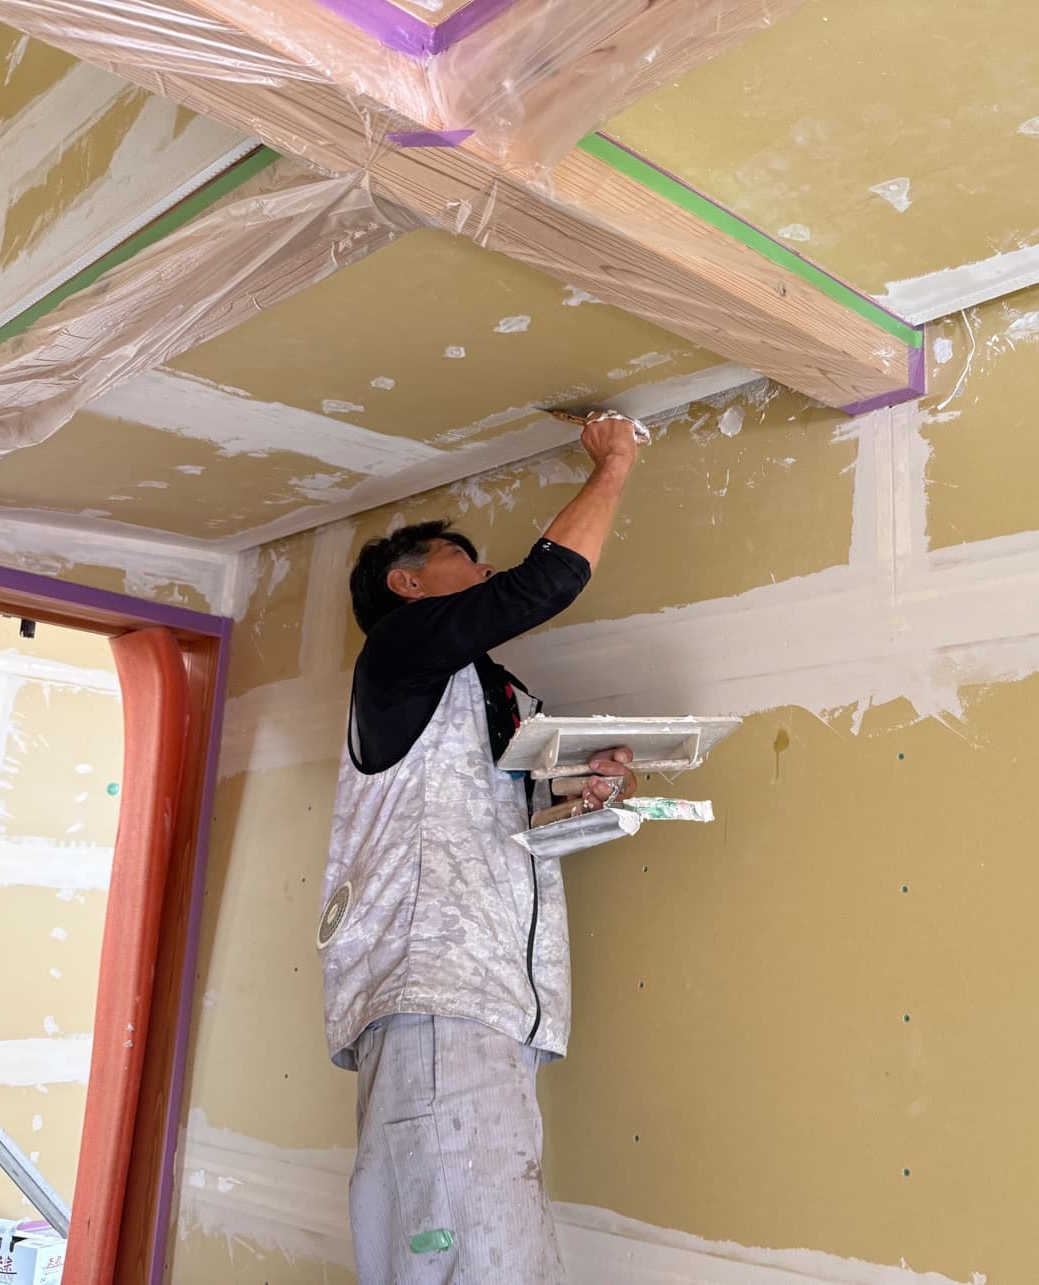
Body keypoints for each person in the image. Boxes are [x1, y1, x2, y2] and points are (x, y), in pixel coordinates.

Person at [318, 410, 644, 1283]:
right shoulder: (401, 651)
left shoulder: (491, 696)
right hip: (438, 1001)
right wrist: (613, 462)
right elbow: (544, 581)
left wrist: (587, 795)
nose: (485, 569)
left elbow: (519, 837)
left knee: (487, 1257)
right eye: (463, 556)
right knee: (490, 1263)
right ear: (408, 584)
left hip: (491, 1008)